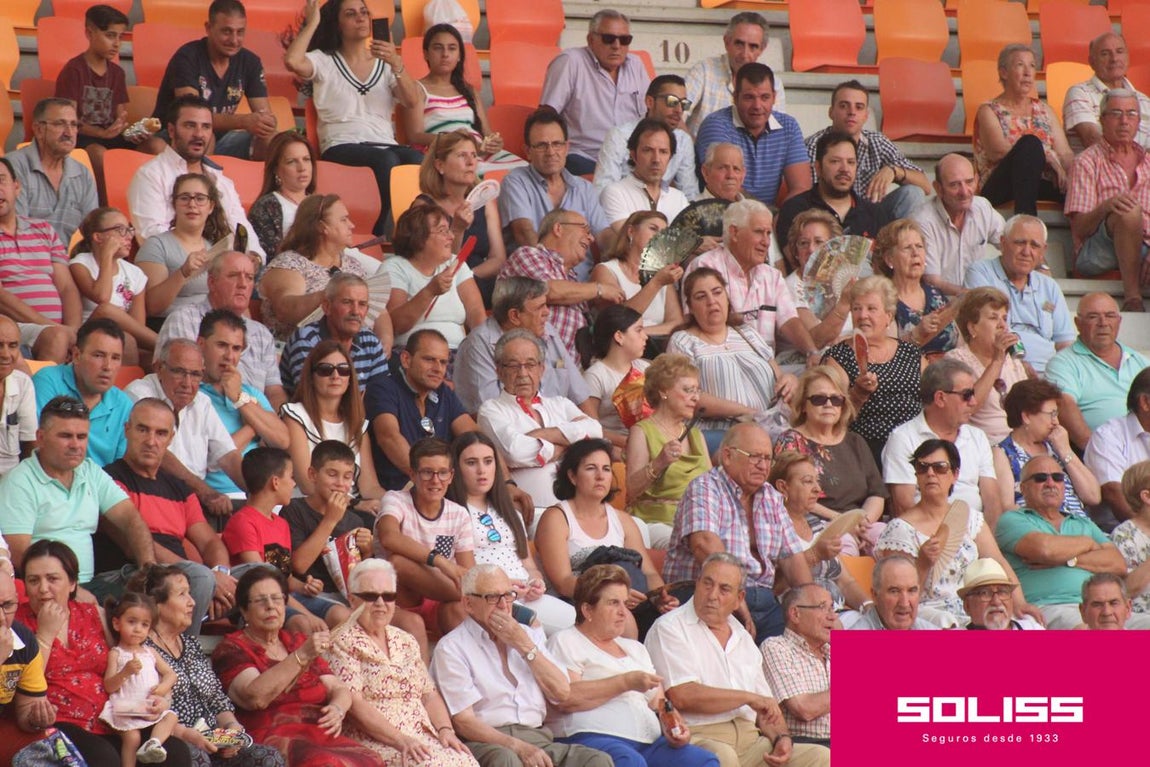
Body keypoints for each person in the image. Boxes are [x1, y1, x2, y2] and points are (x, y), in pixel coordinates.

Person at [17, 540, 193, 766]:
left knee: (175, 752)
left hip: (113, 717)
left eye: (52, 579)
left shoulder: (94, 614)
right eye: (33, 580)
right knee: (104, 758)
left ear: (72, 583)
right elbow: (24, 685)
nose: (43, 588)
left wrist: (162, 697)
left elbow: (131, 656)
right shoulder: (17, 624)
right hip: (58, 722)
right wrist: (45, 635)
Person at [645, 553, 830, 767]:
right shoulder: (669, 627)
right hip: (700, 737)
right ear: (697, 583)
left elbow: (766, 707)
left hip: (752, 741)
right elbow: (682, 695)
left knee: (821, 757)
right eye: (707, 584)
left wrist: (781, 738)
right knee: (724, 756)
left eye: (724, 589)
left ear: (739, 599)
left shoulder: (742, 636)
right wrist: (747, 698)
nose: (712, 595)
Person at [431, 563, 611, 767]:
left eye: (508, 595)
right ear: (468, 603)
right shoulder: (452, 647)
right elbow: (464, 722)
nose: (503, 605)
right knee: (506, 759)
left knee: (597, 760)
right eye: (492, 597)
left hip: (537, 738)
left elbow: (562, 692)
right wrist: (517, 746)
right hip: (486, 742)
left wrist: (524, 645)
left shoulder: (528, 636)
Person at [545, 565, 717, 767]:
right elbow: (567, 698)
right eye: (613, 603)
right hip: (590, 738)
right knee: (630, 761)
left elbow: (660, 703)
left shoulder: (636, 649)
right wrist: (625, 682)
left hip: (649, 744)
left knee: (702, 760)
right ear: (587, 609)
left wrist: (675, 726)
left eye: (625, 604)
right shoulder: (566, 641)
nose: (623, 613)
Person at [210, 567, 381, 766]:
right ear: (244, 611)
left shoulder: (296, 641)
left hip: (318, 733)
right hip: (272, 736)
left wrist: (337, 708)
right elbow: (254, 697)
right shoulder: (233, 648)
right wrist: (301, 656)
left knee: (372, 760)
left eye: (277, 599)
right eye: (260, 600)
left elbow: (337, 688)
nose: (270, 606)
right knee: (324, 762)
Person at [663, 424, 814, 640]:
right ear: (727, 456)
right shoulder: (705, 487)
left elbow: (793, 560)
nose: (763, 465)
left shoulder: (771, 496)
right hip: (707, 597)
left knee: (830, 640)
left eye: (767, 459)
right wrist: (733, 594)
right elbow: (704, 544)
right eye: (755, 457)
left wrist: (815, 607)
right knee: (753, 653)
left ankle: (861, 662)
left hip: (764, 600)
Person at [284, 0, 422, 235]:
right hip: (341, 144)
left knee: (416, 158)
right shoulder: (324, 60)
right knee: (386, 161)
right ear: (337, 24)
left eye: (364, 12)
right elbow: (293, 61)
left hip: (384, 143)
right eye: (350, 14)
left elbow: (412, 101)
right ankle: (376, 232)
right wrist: (313, 22)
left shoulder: (385, 64)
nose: (360, 18)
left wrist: (397, 63)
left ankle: (410, 234)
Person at [324, 559, 477, 766]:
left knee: (467, 761)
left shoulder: (405, 640)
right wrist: (401, 740)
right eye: (370, 596)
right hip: (378, 742)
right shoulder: (342, 641)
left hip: (422, 738)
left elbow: (429, 694)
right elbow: (354, 704)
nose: (380, 603)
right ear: (352, 600)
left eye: (388, 596)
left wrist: (445, 730)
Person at [102, 398, 237, 631]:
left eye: (161, 433)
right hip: (134, 575)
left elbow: (209, 542)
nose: (151, 441)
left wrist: (220, 574)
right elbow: (134, 544)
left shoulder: (179, 488)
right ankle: (184, 648)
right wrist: (205, 578)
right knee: (200, 578)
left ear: (171, 438)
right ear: (127, 430)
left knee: (259, 578)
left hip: (184, 579)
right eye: (143, 429)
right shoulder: (110, 479)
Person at [137, 565, 286, 767]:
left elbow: (216, 698)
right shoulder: (143, 650)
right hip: (172, 740)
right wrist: (189, 735)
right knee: (197, 757)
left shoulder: (190, 644)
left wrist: (232, 727)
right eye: (182, 594)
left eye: (190, 593)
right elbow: (146, 711)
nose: (192, 602)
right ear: (157, 604)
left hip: (213, 740)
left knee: (268, 757)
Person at [876, 439, 1031, 627]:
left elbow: (998, 561)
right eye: (923, 467)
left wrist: (1020, 603)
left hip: (975, 605)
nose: (930, 473)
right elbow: (898, 595)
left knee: (1029, 624)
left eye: (939, 467)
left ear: (955, 474)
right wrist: (923, 563)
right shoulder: (900, 529)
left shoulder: (969, 518)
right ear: (916, 475)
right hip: (927, 612)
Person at [534, 438, 674, 637]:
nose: (600, 476)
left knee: (671, 623)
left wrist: (660, 597)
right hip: (580, 605)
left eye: (606, 469)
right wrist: (612, 595)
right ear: (572, 476)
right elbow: (563, 582)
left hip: (630, 603)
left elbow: (649, 573)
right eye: (591, 468)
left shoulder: (623, 520)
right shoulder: (556, 518)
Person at [448, 431, 576, 635]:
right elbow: (462, 571)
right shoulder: (451, 513)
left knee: (583, 622)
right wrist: (504, 587)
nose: (482, 470)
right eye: (471, 463)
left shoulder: (510, 511)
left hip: (527, 596)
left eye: (488, 461)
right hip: (493, 599)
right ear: (456, 468)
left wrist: (536, 583)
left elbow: (529, 566)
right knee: (554, 629)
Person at [994, 455, 1143, 629]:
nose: (1050, 483)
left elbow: (1117, 564)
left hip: (1099, 606)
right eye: (1041, 478)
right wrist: (1088, 543)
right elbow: (1045, 550)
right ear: (1023, 488)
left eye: (1057, 477)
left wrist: (1070, 560)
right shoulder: (1012, 519)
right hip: (1049, 606)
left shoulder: (1083, 523)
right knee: (1088, 632)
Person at [669, 268, 795, 453]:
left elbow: (779, 377)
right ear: (691, 307)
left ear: (727, 298)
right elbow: (687, 396)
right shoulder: (683, 341)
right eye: (701, 297)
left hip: (770, 427)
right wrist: (745, 412)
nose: (711, 301)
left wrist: (790, 380)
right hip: (722, 435)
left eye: (717, 292)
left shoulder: (748, 333)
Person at [477, 330, 604, 508]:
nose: (522, 373)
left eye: (530, 365)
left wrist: (543, 434)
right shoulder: (491, 410)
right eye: (513, 366)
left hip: (578, 508)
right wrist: (569, 446)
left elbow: (596, 431)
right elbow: (515, 452)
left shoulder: (560, 403)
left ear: (541, 369)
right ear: (499, 371)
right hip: (531, 511)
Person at [127, 95, 264, 260]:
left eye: (206, 127)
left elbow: (241, 227)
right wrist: (204, 261)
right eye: (190, 126)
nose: (199, 134)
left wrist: (255, 257)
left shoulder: (220, 179)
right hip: (179, 268)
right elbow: (152, 238)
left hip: (226, 267)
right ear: (171, 130)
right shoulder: (150, 175)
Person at [124, 339, 245, 521]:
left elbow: (228, 456)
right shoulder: (139, 393)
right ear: (159, 368)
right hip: (152, 495)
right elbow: (159, 452)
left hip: (192, 501)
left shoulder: (202, 402)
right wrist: (204, 491)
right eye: (179, 372)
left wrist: (258, 493)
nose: (187, 383)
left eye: (195, 374)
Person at [684, 199, 818, 358]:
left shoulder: (772, 276)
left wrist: (812, 352)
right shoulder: (704, 266)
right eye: (759, 232)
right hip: (721, 359)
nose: (766, 242)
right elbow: (692, 323)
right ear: (734, 233)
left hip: (767, 365)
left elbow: (789, 321)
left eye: (768, 234)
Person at [156, 250, 285, 409]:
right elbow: (175, 383)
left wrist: (279, 416)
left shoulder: (262, 334)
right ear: (211, 282)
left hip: (255, 417)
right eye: (233, 276)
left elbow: (274, 392)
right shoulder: (184, 319)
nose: (243, 284)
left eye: (249, 278)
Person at [220, 448, 330, 632]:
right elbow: (261, 579)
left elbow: (284, 576)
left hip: (285, 596)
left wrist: (304, 587)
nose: (294, 484)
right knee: (302, 623)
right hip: (260, 600)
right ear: (275, 482)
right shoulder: (243, 522)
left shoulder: (281, 524)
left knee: (340, 614)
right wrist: (308, 615)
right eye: (291, 477)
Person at [152, 0, 276, 160]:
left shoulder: (250, 62)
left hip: (224, 140)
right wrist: (244, 121)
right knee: (206, 137)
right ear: (208, 28)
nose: (234, 40)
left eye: (240, 32)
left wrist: (266, 122)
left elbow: (264, 114)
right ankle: (198, 176)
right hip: (177, 137)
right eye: (227, 31)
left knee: (273, 140)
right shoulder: (187, 57)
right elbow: (194, 116)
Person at [774, 366, 887, 541]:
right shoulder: (790, 441)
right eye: (819, 399)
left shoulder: (855, 441)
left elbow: (876, 493)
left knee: (890, 536)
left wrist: (863, 523)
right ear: (803, 405)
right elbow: (792, 497)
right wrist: (844, 523)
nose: (828, 405)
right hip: (815, 525)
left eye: (836, 399)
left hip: (861, 524)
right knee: (844, 542)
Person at [822, 275, 924, 467]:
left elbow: (931, 400)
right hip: (867, 450)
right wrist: (858, 395)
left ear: (889, 316)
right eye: (856, 308)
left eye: (871, 309)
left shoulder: (911, 353)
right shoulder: (839, 357)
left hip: (915, 447)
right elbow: (832, 416)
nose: (862, 315)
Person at [882, 359, 1002, 521]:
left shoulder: (978, 437)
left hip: (976, 530)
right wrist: (945, 534)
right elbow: (903, 506)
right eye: (967, 395)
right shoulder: (903, 438)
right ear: (940, 398)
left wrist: (986, 536)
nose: (973, 402)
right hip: (926, 532)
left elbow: (992, 501)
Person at [376, 438, 476, 632]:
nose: (436, 480)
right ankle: (487, 600)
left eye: (443, 472)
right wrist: (440, 562)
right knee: (398, 562)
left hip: (441, 598)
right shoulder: (395, 499)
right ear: (412, 474)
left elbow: (467, 573)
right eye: (427, 472)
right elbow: (389, 538)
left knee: (459, 608)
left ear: (451, 476)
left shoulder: (459, 513)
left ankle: (485, 601)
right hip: (399, 598)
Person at [454, 276, 592, 416]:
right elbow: (489, 413)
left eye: (546, 305)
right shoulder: (478, 346)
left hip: (560, 423)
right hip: (515, 426)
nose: (547, 312)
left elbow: (580, 396)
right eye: (539, 307)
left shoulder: (547, 330)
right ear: (514, 316)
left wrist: (594, 426)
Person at [500, 208, 625, 361]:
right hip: (531, 362)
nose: (591, 238)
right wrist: (599, 289)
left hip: (570, 367)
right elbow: (546, 290)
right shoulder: (528, 254)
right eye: (585, 230)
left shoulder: (573, 281)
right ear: (558, 228)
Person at [1064, 89, 1150, 310]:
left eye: (1131, 114)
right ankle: (1133, 299)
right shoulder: (1086, 162)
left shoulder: (1148, 162)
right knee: (1127, 210)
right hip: (1097, 251)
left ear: (1139, 121)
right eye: (1116, 113)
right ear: (1102, 119)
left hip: (1145, 246)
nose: (1124, 121)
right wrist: (1106, 207)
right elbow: (1080, 229)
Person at [404, 24, 525, 177]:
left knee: (525, 171)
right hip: (447, 153)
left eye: (452, 48)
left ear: (459, 55)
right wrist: (455, 141)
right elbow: (415, 135)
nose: (445, 54)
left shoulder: (469, 91)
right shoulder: (417, 89)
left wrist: (495, 142)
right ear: (426, 54)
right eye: (438, 48)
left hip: (480, 151)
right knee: (481, 173)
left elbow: (487, 133)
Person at [541, 10, 650, 176]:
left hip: (630, 159)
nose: (617, 45)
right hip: (586, 156)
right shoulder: (571, 61)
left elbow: (652, 113)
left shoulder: (636, 64)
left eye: (624, 40)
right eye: (608, 38)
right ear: (591, 40)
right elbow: (546, 115)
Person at [964, 214, 1075, 374]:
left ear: (1043, 251)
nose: (1026, 251)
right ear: (1003, 243)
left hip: (1049, 373)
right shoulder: (980, 272)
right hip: (1001, 368)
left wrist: (1065, 375)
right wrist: (1018, 367)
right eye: (1020, 243)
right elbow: (986, 333)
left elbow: (1064, 342)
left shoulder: (1049, 286)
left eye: (1034, 245)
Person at [365, 329, 474, 491]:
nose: (438, 368)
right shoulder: (383, 389)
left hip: (438, 487)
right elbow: (389, 437)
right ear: (406, 359)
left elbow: (474, 437)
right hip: (398, 491)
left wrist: (506, 482)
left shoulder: (444, 392)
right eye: (429, 359)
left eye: (443, 362)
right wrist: (428, 479)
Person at [279, 440, 374, 626]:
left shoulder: (354, 521)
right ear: (312, 474)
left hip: (346, 597)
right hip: (307, 594)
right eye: (332, 474)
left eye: (347, 477)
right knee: (343, 616)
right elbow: (299, 565)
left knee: (409, 621)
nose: (340, 483)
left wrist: (367, 551)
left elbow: (356, 578)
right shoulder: (294, 510)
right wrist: (330, 520)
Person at [55, 4, 147, 198]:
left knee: (154, 146)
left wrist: (131, 131)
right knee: (99, 154)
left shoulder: (117, 73)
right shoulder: (74, 70)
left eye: (120, 37)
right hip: (82, 137)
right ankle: (107, 203)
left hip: (109, 136)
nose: (117, 44)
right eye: (110, 36)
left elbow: (120, 116)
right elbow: (68, 121)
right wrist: (101, 133)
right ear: (90, 33)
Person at [197, 309, 290, 499]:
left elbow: (282, 440)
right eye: (222, 345)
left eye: (236, 348)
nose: (229, 356)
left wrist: (238, 397)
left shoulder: (249, 392)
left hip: (260, 497)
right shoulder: (192, 394)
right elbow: (212, 459)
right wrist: (253, 427)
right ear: (201, 344)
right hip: (217, 497)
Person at [805, 80, 930, 219]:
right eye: (844, 106)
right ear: (831, 112)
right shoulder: (814, 146)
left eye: (859, 107)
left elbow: (926, 186)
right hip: (828, 218)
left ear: (866, 115)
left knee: (912, 193)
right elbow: (807, 198)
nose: (852, 112)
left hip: (871, 220)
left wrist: (894, 171)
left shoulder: (877, 142)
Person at [410, 130, 507, 308]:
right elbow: (431, 262)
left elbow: (498, 259)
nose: (471, 162)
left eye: (474, 155)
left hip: (477, 279)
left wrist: (467, 277)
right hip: (438, 285)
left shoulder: (485, 203)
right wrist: (457, 229)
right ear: (440, 165)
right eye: (462, 155)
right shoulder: (424, 207)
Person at [497, 108, 614, 255]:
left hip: (583, 270)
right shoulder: (516, 181)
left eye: (557, 144)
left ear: (566, 148)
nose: (551, 152)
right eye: (541, 145)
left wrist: (627, 250)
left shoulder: (584, 188)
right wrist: (556, 266)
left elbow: (604, 236)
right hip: (537, 268)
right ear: (527, 151)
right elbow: (524, 233)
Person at [974, 44, 1075, 215]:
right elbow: (997, 151)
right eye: (1020, 65)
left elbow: (1065, 154)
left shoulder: (1045, 109)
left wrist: (1076, 175)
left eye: (1032, 66)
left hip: (1043, 181)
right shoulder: (989, 110)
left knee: (1083, 185)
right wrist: (1047, 159)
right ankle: (1026, 219)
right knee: (1030, 143)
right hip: (1002, 185)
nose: (1028, 72)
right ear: (1004, 72)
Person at [0, 157, 83, 364]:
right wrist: (56, 328)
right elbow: (2, 298)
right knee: (57, 337)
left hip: (55, 329)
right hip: (10, 327)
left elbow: (67, 287)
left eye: (1, 180)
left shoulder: (43, 229)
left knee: (122, 341)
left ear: (16, 187)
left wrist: (74, 330)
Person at [695, 63, 811, 207]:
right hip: (721, 211)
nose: (757, 106)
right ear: (735, 97)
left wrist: (781, 217)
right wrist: (767, 215)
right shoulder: (716, 124)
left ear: (774, 97)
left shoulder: (789, 126)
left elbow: (801, 188)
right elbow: (728, 187)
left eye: (765, 97)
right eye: (749, 97)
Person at [625, 354, 710, 548]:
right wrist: (659, 462)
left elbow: (710, 486)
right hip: (656, 522)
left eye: (697, 390)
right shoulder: (642, 431)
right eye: (688, 390)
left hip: (698, 522)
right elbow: (631, 490)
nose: (696, 397)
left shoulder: (696, 434)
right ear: (664, 391)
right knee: (695, 545)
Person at [281, 342, 383, 505]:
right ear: (311, 377)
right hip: (309, 509)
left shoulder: (357, 424)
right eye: (325, 370)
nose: (336, 376)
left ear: (350, 379)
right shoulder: (295, 415)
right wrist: (355, 504)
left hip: (352, 509)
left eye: (343, 370)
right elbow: (307, 484)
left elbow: (369, 487)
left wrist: (399, 500)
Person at [258, 194, 370, 340]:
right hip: (301, 347)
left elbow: (380, 313)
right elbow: (285, 310)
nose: (352, 225)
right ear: (322, 227)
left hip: (350, 346)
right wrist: (333, 293)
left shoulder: (353, 265)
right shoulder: (289, 264)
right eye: (343, 220)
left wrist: (385, 342)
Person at [383, 203, 486, 359]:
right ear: (419, 237)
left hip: (458, 353)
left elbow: (476, 313)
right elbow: (396, 325)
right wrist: (429, 292)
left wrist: (481, 350)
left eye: (449, 230)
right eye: (442, 231)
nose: (451, 236)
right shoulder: (395, 267)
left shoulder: (456, 263)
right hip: (414, 355)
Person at [1047, 292, 1149, 448]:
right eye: (1093, 316)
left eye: (1110, 316)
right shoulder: (1063, 363)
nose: (1103, 323)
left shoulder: (1140, 361)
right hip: (1098, 451)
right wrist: (1099, 452)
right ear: (1078, 323)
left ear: (1119, 321)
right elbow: (1064, 406)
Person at [767, 453, 869, 610]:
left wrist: (869, 607)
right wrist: (814, 555)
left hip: (838, 614)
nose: (818, 489)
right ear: (783, 487)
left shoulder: (816, 524)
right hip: (802, 617)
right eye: (808, 481)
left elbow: (845, 582)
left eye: (817, 481)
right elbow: (774, 588)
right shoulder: (772, 528)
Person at [33, 318, 134, 467]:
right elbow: (37, 445)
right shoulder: (48, 381)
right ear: (76, 355)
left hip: (103, 481)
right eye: (98, 355)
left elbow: (122, 467)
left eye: (115, 358)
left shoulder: (124, 404)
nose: (108, 366)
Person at [994, 378, 1099, 520]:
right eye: (1052, 414)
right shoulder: (1003, 453)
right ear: (1026, 416)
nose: (1056, 422)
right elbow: (1006, 508)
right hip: (1038, 526)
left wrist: (1065, 451)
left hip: (1080, 524)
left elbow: (1093, 496)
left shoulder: (1056, 446)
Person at [775, 130, 885, 258]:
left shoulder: (875, 214)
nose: (844, 169)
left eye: (850, 162)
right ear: (818, 168)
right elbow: (793, 261)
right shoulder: (794, 209)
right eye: (835, 161)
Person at [100, 591, 180, 766]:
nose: (138, 629)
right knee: (132, 738)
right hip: (126, 709)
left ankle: (153, 744)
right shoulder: (116, 653)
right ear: (116, 623)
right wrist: (125, 672)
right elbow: (109, 685)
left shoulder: (150, 653)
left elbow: (171, 674)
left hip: (148, 707)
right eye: (132, 622)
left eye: (144, 625)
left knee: (171, 718)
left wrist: (161, 690)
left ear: (149, 629)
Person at [68, 207, 157, 364]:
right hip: (88, 334)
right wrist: (107, 255)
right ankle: (166, 345)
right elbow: (102, 297)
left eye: (129, 230)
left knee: (146, 354)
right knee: (106, 310)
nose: (129, 236)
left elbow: (138, 328)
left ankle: (165, 349)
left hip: (119, 336)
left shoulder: (135, 273)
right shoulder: (81, 263)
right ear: (98, 237)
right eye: (120, 230)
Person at [279, 273, 390, 395]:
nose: (356, 311)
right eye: (347, 302)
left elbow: (383, 395)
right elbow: (311, 397)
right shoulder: (306, 339)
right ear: (327, 307)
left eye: (362, 304)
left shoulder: (370, 341)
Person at [944, 286, 1029, 444]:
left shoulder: (1012, 361)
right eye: (993, 318)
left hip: (1019, 442)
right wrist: (997, 361)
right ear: (972, 327)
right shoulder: (956, 360)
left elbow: (1029, 407)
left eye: (1004, 318)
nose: (1002, 325)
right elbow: (967, 406)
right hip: (984, 445)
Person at [912, 153, 1006, 297]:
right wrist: (972, 296)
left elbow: (1012, 244)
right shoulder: (923, 220)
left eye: (969, 182)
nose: (964, 192)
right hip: (940, 302)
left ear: (977, 180)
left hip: (977, 301)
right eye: (954, 185)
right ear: (938, 188)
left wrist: (1040, 267)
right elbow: (931, 281)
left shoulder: (982, 207)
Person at [8, 98, 98, 246]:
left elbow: (94, 233)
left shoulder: (82, 174)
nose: (69, 133)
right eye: (59, 124)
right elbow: (14, 234)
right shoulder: (12, 167)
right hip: (20, 256)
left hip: (60, 258)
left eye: (73, 124)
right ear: (39, 129)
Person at [137, 174, 228, 321]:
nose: (192, 204)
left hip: (211, 323)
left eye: (200, 198)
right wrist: (183, 272)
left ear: (211, 206)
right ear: (174, 204)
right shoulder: (156, 245)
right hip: (172, 324)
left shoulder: (214, 248)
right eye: (184, 198)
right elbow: (152, 307)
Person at [594, 75, 699, 198]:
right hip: (622, 205)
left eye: (684, 104)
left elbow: (690, 193)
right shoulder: (619, 136)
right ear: (650, 102)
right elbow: (602, 191)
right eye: (672, 101)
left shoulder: (683, 141)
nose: (679, 110)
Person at [684, 12, 787, 136]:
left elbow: (777, 134)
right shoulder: (703, 72)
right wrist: (696, 146)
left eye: (753, 46)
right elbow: (678, 115)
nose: (744, 54)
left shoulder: (774, 84)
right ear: (726, 42)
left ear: (762, 49)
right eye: (739, 44)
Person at [874, 218, 959, 358]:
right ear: (889, 259)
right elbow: (885, 356)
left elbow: (959, 343)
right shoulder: (882, 301)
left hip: (950, 368)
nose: (915, 253)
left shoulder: (936, 295)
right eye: (907, 248)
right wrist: (918, 333)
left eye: (919, 246)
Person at [759, 584, 832, 747]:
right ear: (795, 614)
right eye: (822, 607)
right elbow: (804, 709)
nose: (832, 616)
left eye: (832, 608)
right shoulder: (776, 647)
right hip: (810, 743)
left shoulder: (832, 650)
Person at [776, 210, 852, 366]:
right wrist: (844, 304)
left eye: (819, 242)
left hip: (846, 359)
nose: (811, 249)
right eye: (803, 243)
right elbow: (815, 341)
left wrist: (851, 340)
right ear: (796, 252)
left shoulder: (845, 281)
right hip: (805, 366)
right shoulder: (789, 287)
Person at [591, 211, 683, 338]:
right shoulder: (606, 270)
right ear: (631, 231)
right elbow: (616, 322)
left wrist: (639, 333)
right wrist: (656, 283)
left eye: (663, 233)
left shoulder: (664, 276)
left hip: (657, 347)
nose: (659, 236)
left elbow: (677, 324)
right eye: (653, 228)